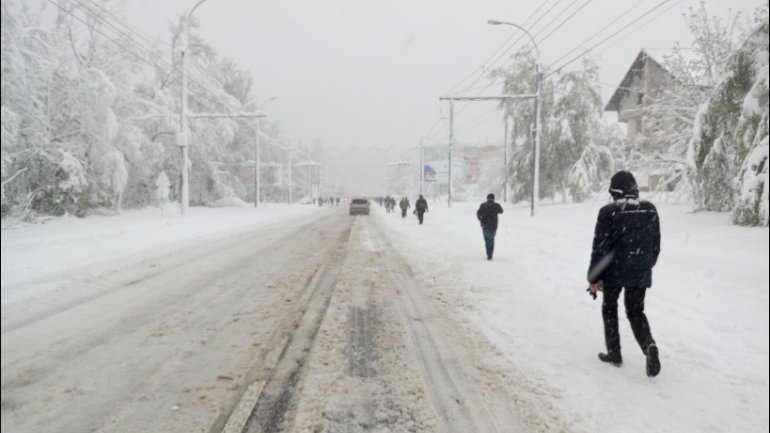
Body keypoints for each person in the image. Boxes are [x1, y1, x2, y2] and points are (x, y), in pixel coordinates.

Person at [587, 170, 662, 378]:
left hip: (613, 272)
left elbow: (600, 249)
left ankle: (614, 353)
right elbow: (655, 246)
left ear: (615, 191)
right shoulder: (650, 210)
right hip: (640, 271)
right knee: (636, 312)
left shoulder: (608, 212)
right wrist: (644, 265)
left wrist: (593, 279)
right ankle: (649, 346)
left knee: (610, 308)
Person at [476, 193, 504, 260]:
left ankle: (489, 254)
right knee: (491, 239)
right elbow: (501, 211)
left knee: (487, 240)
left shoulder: (483, 205)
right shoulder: (496, 205)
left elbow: (478, 213)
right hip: (493, 226)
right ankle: (490, 254)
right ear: (494, 198)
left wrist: (480, 220)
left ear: (487, 198)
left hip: (485, 225)